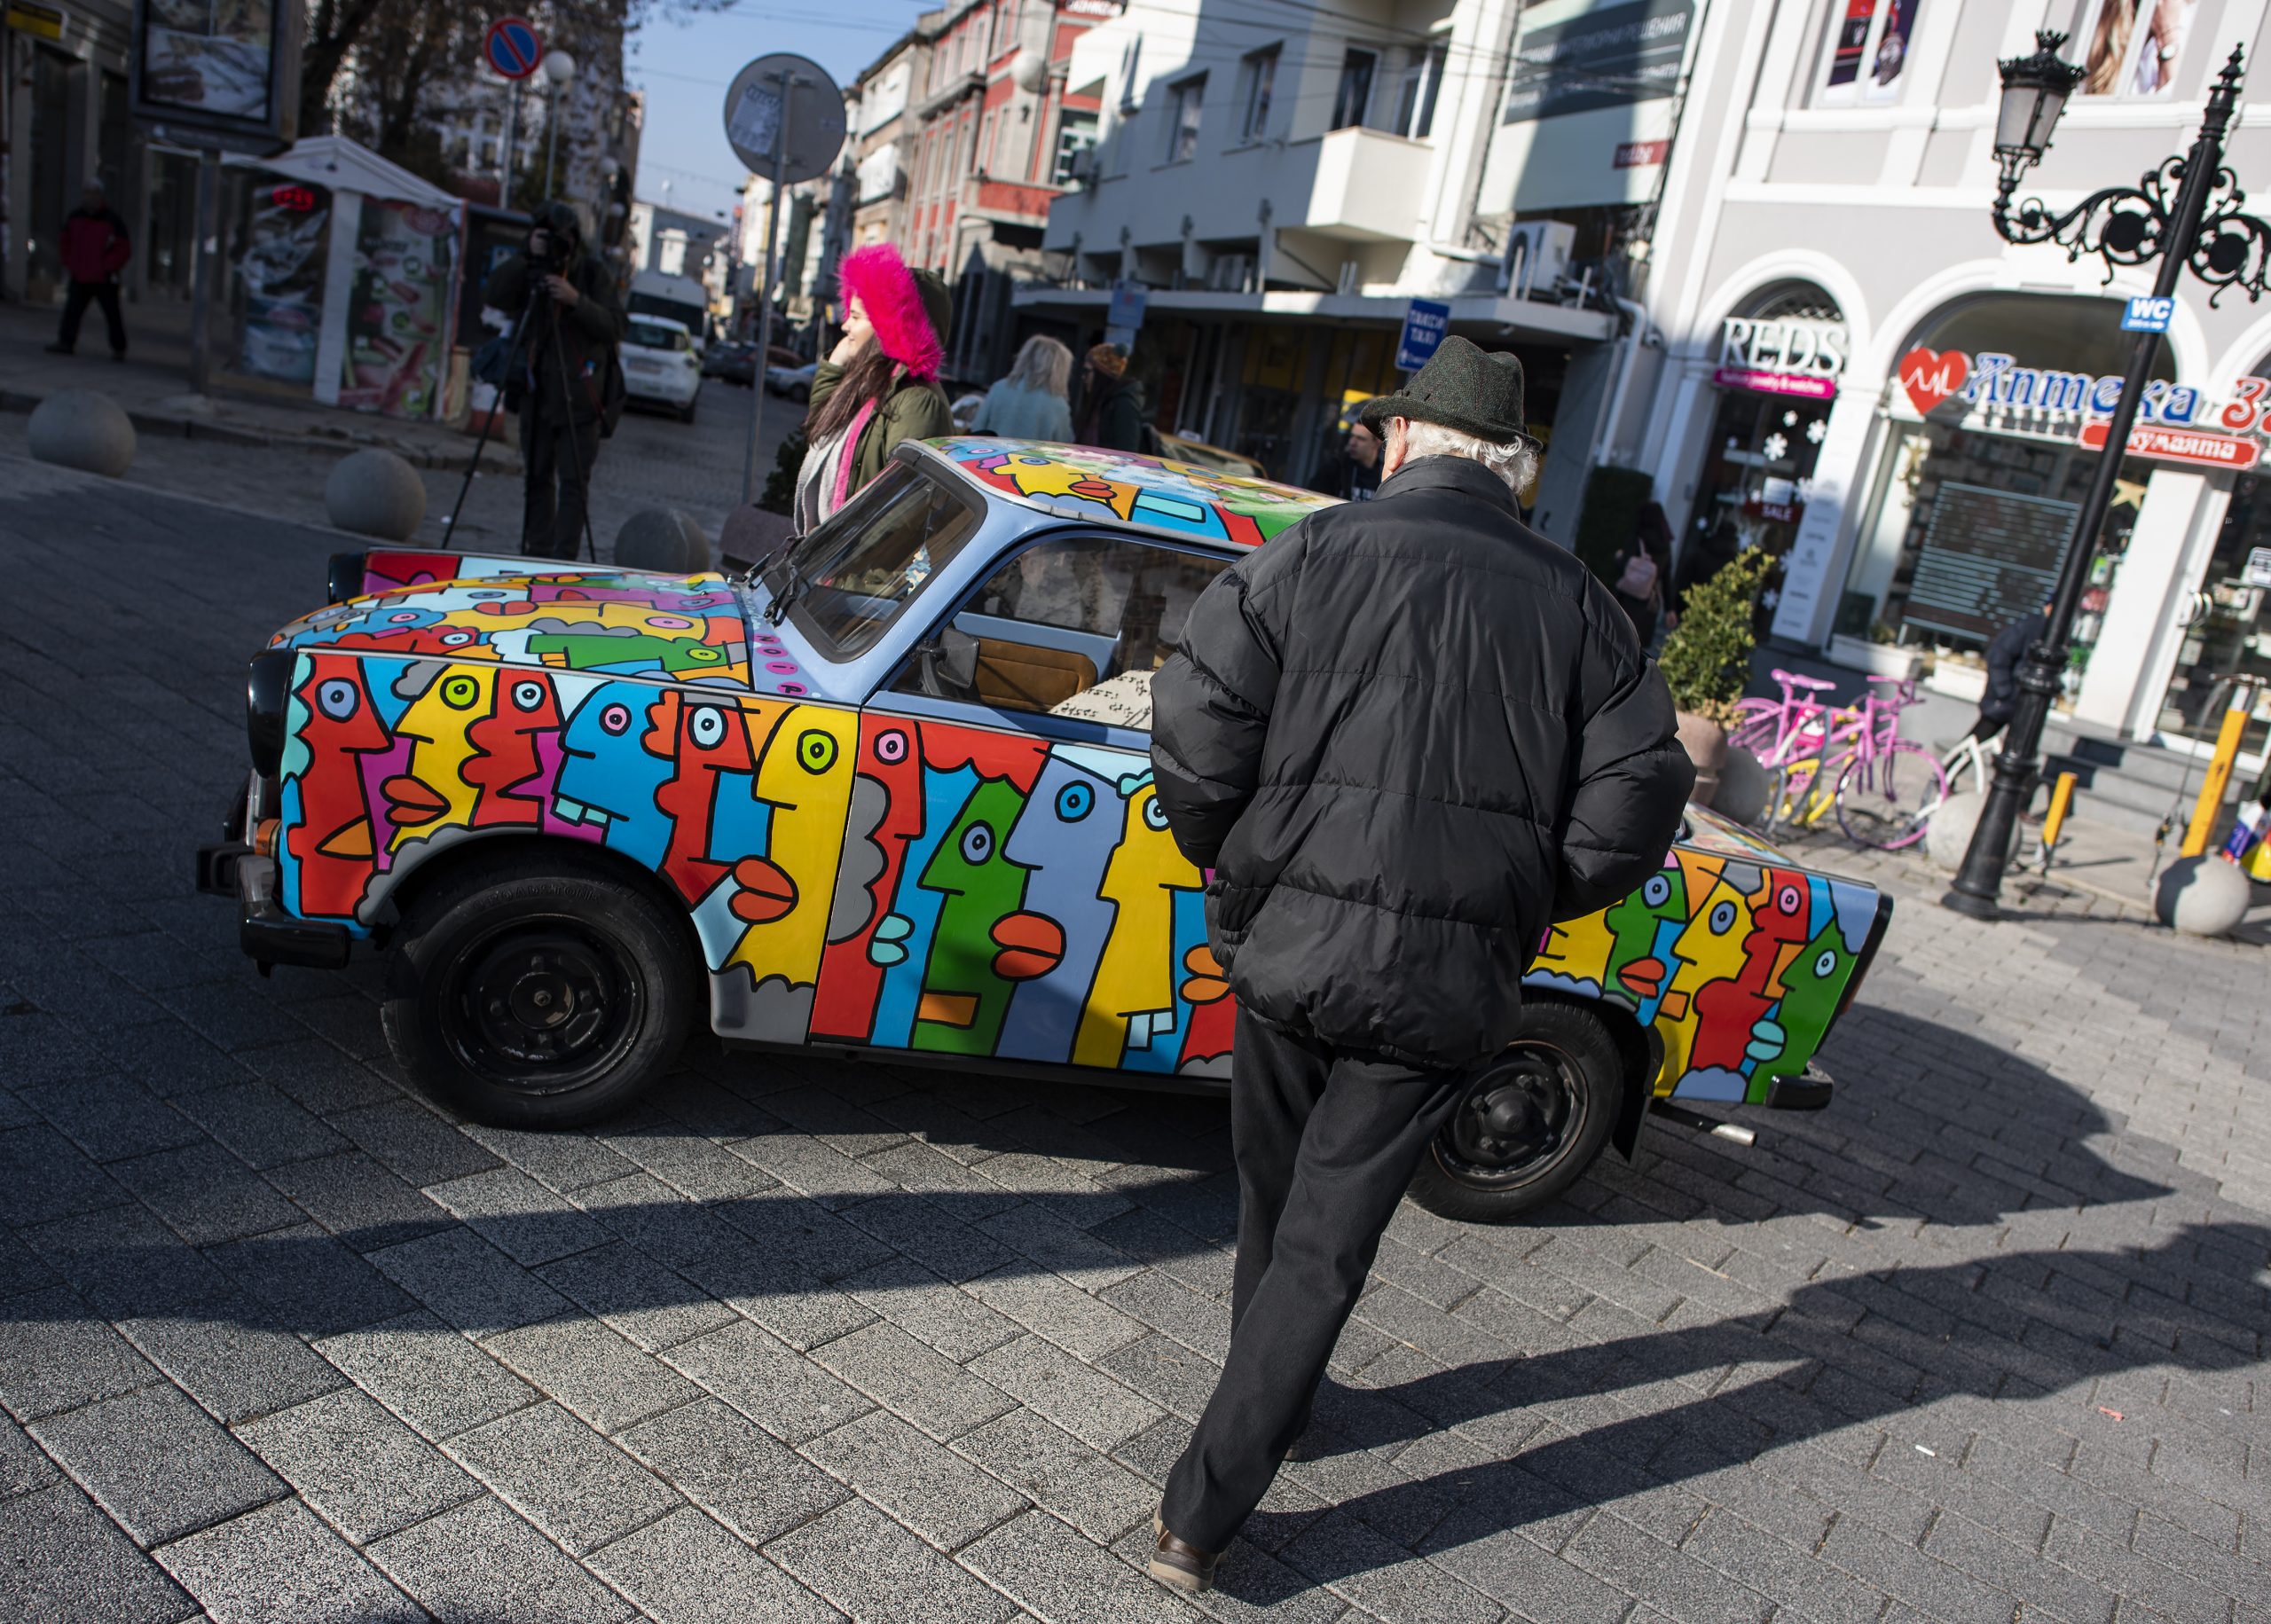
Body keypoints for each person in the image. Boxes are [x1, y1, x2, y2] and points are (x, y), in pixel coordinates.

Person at [1143, 335, 1693, 1592]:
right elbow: (1641, 788)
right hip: (1446, 974)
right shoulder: (1580, 605)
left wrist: (1237, 853)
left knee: (1272, 1198)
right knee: (1325, 1235)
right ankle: (1207, 1503)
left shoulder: (1312, 552)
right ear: (1513, 469)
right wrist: (1528, 894)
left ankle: (1239, 1454)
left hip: (1289, 940)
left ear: (1401, 440)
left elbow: (1194, 714)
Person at [483, 202, 626, 559]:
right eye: (546, 237)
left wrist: (576, 301)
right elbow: (495, 295)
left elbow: (615, 326)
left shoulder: (592, 275)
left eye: (561, 238)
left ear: (575, 240)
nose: (555, 246)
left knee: (574, 485)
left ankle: (563, 562)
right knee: (536, 478)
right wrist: (525, 258)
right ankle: (537, 553)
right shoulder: (530, 270)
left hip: (582, 399)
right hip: (537, 394)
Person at [797, 242, 955, 527]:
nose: (845, 325)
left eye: (856, 317)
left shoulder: (917, 401)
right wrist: (835, 365)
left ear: (889, 325)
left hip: (857, 555)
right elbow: (824, 428)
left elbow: (905, 509)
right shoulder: (871, 386)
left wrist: (842, 548)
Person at [45, 182, 132, 362]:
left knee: (112, 313)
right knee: (72, 311)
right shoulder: (75, 217)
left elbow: (123, 248)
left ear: (101, 196)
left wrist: (108, 266)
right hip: (80, 274)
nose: (91, 197)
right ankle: (66, 342)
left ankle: (119, 348)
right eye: (87, 193)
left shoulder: (112, 220)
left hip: (103, 277)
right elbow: (65, 241)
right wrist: (70, 263)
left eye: (94, 193)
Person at [1968, 600, 2053, 743]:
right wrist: (2005, 691)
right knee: (1977, 741)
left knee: (2011, 746)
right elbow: (1999, 657)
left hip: (2021, 703)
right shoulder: (2030, 626)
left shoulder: (2049, 633)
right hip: (2006, 700)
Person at [973, 334, 1075, 441]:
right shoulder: (1058, 404)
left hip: (993, 451)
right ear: (1060, 368)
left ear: (1023, 357)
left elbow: (977, 427)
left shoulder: (1000, 387)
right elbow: (1066, 444)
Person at [1610, 499, 1676, 646]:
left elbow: (1624, 566)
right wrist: (1669, 609)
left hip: (1626, 598)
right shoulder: (1665, 547)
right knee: (1635, 645)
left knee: (1615, 639)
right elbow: (1666, 580)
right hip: (1647, 604)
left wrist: (1618, 558)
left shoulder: (1638, 538)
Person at [1078, 341, 1144, 451]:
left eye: (1087, 371)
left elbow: (1127, 452)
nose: (1083, 377)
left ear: (1101, 374)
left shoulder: (1124, 404)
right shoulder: (1099, 402)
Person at [1338, 418, 1381, 501]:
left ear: (1378, 442)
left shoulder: (1384, 476)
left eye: (1361, 439)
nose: (1352, 443)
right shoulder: (1336, 469)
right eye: (1352, 436)